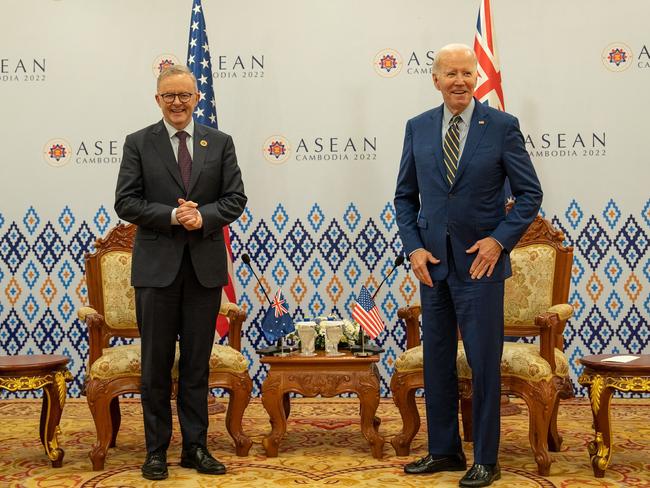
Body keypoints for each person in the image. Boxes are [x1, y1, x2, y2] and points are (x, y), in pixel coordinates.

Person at [394, 44, 542, 487]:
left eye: (467, 73)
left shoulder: (501, 126)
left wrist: (498, 241)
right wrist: (414, 247)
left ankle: (487, 458)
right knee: (437, 360)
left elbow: (529, 195)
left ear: (477, 78)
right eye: (451, 73)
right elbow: (405, 197)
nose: (460, 80)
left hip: (481, 267)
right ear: (435, 79)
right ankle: (443, 451)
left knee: (482, 362)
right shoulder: (417, 127)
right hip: (432, 265)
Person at [115, 65, 247, 480]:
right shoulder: (139, 143)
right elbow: (126, 202)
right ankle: (156, 451)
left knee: (196, 366)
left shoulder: (219, 142)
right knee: (154, 366)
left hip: (204, 272)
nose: (177, 102)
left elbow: (235, 199)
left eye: (184, 95)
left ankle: (195, 447)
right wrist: (173, 215)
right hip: (156, 272)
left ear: (197, 98)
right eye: (169, 96)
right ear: (157, 99)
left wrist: (202, 217)